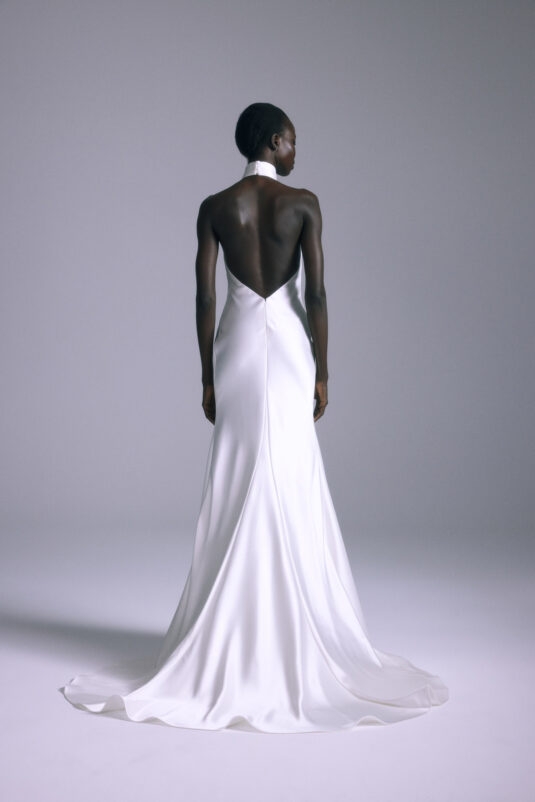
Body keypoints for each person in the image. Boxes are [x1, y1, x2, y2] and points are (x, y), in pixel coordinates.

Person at [60, 102, 449, 733]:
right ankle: (290, 628)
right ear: (273, 141)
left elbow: (204, 295)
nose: (297, 151)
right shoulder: (304, 203)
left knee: (239, 471)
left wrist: (206, 376)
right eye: (292, 141)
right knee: (289, 469)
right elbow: (316, 292)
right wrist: (323, 370)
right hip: (291, 347)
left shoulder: (216, 206)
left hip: (236, 347)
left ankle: (231, 631)